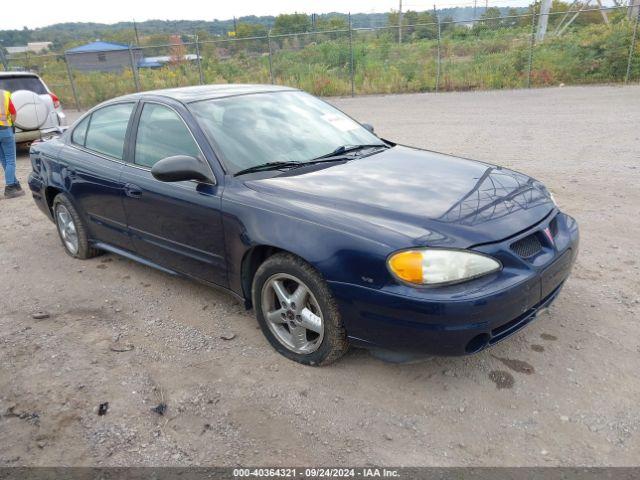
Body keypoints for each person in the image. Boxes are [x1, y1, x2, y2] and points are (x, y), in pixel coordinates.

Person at [0, 89, 24, 199]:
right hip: (5, 130)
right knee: (10, 160)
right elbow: (13, 113)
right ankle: (10, 187)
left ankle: (15, 184)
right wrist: (11, 124)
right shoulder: (4, 94)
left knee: (4, 160)